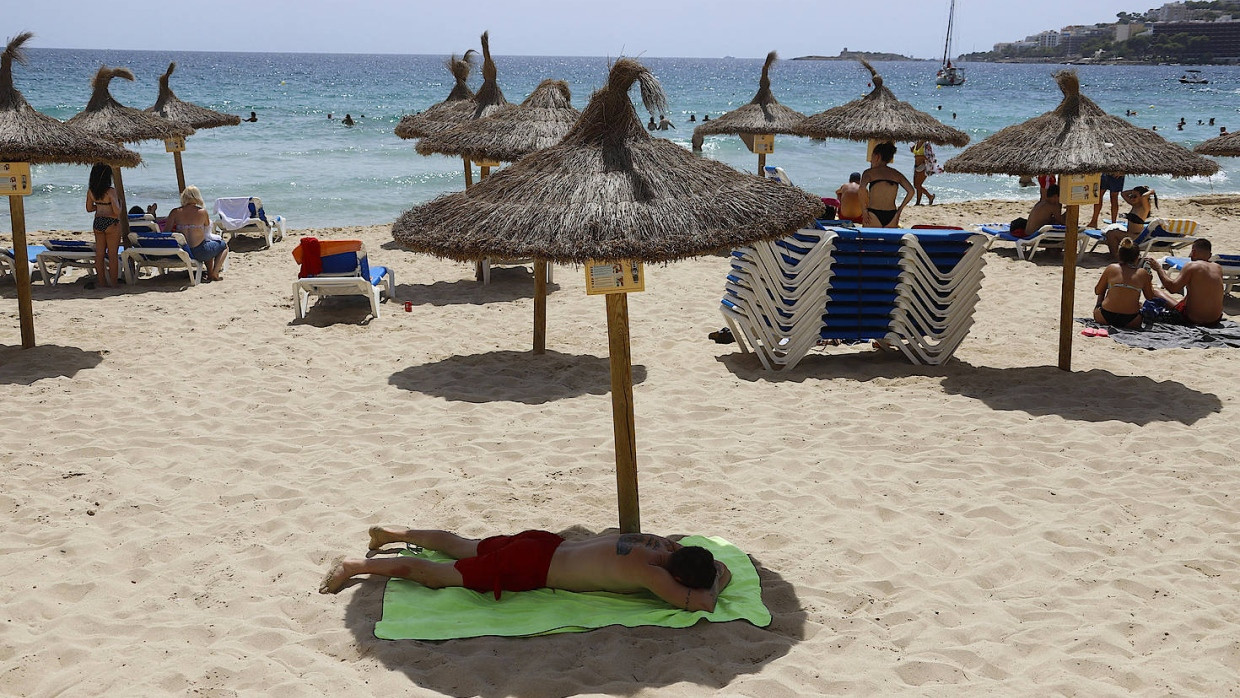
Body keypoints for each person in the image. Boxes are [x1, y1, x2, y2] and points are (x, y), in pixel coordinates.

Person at [319, 526, 733, 612]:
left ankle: (392, 533)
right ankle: (355, 565)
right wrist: (715, 579)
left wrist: (711, 567)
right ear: (677, 574)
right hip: (533, 566)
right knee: (436, 575)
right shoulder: (653, 574)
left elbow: (711, 562)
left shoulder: (662, 545)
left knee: (461, 545)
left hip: (545, 541)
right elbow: (705, 602)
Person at [1148, 239, 1225, 325]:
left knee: (1155, 293)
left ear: (1193, 252)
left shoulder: (1192, 266)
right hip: (1214, 319)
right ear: (1210, 255)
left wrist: (1159, 269)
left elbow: (1172, 288)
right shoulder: (1218, 268)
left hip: (1193, 319)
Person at [165, 185, 227, 282]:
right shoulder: (202, 212)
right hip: (200, 252)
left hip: (182, 252)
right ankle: (215, 272)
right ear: (197, 196)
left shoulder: (175, 212)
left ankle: (210, 273)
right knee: (224, 246)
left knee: (208, 246)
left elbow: (165, 233)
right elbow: (207, 230)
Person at [1093, 238, 1158, 329]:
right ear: (1137, 258)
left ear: (1119, 255)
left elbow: (1097, 290)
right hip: (1131, 320)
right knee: (1137, 302)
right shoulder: (1142, 273)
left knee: (1102, 290)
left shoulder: (1111, 268)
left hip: (1104, 317)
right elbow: (1150, 297)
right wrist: (1148, 280)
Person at [859, 142, 913, 228]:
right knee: (889, 241)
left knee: (869, 240)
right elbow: (911, 191)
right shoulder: (896, 174)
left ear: (877, 157)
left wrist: (864, 210)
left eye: (872, 156)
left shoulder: (869, 173)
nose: (870, 159)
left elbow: (862, 188)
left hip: (873, 214)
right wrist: (899, 211)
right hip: (892, 215)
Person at [86, 163, 122, 288]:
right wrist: (120, 204)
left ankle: (101, 282)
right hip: (111, 222)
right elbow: (117, 211)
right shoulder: (111, 191)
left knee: (99, 254)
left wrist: (99, 206)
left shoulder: (91, 191)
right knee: (112, 254)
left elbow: (89, 208)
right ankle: (114, 283)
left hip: (98, 222)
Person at [1104, 185, 1156, 259]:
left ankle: (1116, 257)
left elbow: (1144, 196)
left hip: (1136, 236)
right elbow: (1123, 193)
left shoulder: (1144, 208)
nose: (1132, 198)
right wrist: (1134, 191)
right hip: (1130, 234)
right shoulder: (1134, 205)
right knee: (1111, 232)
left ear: (1141, 198)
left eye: (1135, 196)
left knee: (1111, 234)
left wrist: (1150, 191)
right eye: (1131, 196)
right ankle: (1117, 255)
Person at [911, 141, 935, 206]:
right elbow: (915, 153)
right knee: (916, 185)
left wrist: (919, 157)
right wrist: (912, 149)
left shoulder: (926, 144)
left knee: (918, 185)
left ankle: (920, 201)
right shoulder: (916, 143)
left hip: (923, 166)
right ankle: (929, 197)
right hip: (916, 166)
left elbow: (929, 157)